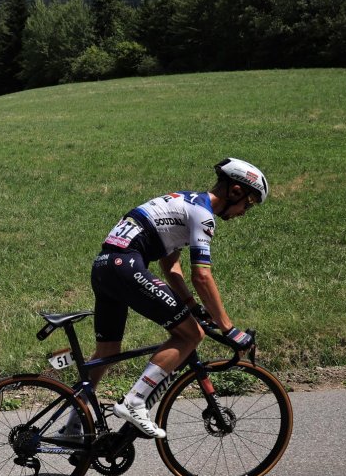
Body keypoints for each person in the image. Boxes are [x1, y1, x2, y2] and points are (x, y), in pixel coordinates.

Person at [83, 158, 267, 438]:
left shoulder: (185, 202)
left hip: (105, 267)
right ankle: (134, 402)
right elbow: (202, 276)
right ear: (236, 192)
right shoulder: (203, 215)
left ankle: (75, 421)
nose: (245, 212)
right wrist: (229, 329)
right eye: (249, 203)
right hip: (125, 266)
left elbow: (170, 265)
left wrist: (192, 306)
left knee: (107, 352)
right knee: (190, 335)